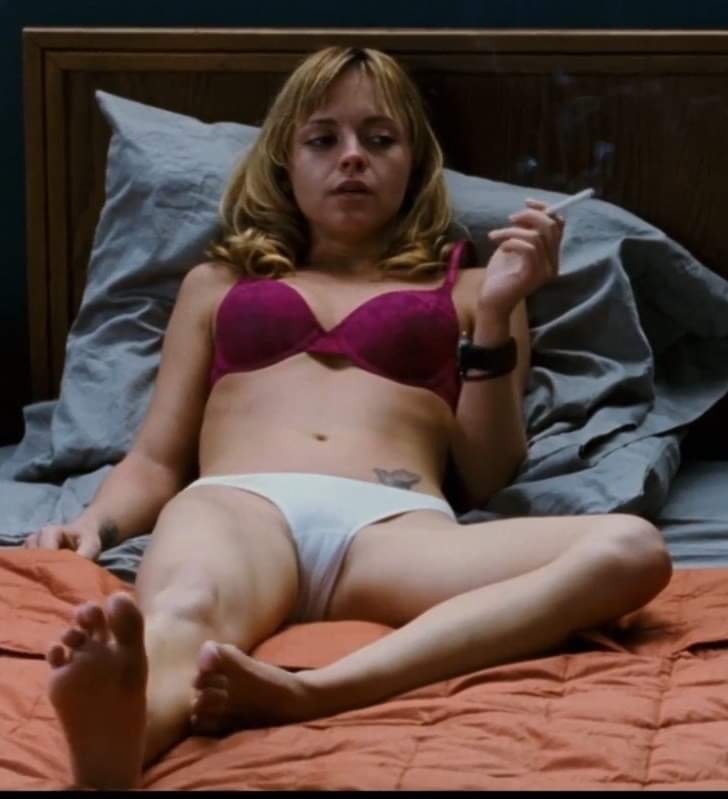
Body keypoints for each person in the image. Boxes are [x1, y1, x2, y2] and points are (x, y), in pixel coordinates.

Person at [23, 46, 672, 790]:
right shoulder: (217, 282)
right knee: (185, 607)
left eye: (380, 138)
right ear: (285, 164)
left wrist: (496, 313)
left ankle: (321, 690)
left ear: (413, 166)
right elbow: (157, 459)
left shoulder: (477, 289)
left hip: (396, 528)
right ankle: (116, 747)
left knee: (632, 548)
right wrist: (95, 526)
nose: (353, 156)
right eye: (323, 139)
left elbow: (491, 473)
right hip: (239, 508)